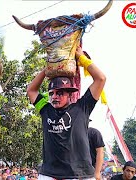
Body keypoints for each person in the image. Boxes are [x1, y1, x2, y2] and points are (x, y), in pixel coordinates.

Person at [26, 46, 106, 179]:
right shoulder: (46, 110)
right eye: (52, 93)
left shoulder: (82, 108)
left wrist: (82, 58)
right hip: (49, 175)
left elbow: (100, 79)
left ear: (69, 95)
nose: (54, 97)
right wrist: (47, 69)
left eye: (60, 93)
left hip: (80, 175)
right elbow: (31, 90)